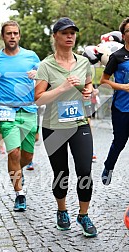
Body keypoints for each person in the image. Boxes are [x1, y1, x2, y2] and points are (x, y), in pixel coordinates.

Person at [35, 17, 97, 237]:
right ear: (55, 36)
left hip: (80, 124)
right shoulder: (46, 65)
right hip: (54, 127)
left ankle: (84, 215)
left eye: (73, 32)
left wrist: (88, 90)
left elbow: (88, 83)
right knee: (61, 173)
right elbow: (39, 99)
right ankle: (62, 210)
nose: (70, 36)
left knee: (85, 172)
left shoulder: (83, 62)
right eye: (65, 32)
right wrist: (61, 88)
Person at [0, 20, 40, 211]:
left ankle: (16, 170)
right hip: (6, 110)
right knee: (14, 152)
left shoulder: (31, 56)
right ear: (3, 36)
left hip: (29, 110)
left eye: (15, 33)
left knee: (27, 157)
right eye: (8, 34)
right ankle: (19, 194)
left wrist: (37, 74)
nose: (12, 36)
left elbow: (45, 77)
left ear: (19, 36)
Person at [100, 17, 129, 185]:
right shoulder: (117, 57)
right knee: (119, 142)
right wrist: (123, 87)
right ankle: (109, 166)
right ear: (123, 35)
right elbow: (104, 80)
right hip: (121, 108)